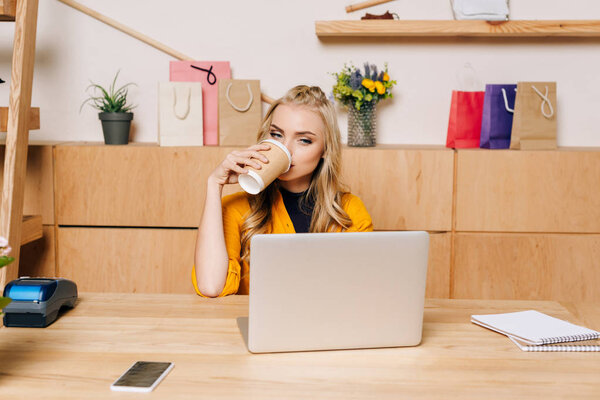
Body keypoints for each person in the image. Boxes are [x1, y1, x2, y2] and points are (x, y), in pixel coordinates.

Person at [193, 85, 373, 297]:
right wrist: (214, 184)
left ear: (325, 149)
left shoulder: (349, 211)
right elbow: (211, 286)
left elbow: (361, 292)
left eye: (304, 140)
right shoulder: (235, 209)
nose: (286, 149)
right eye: (277, 135)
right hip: (258, 327)